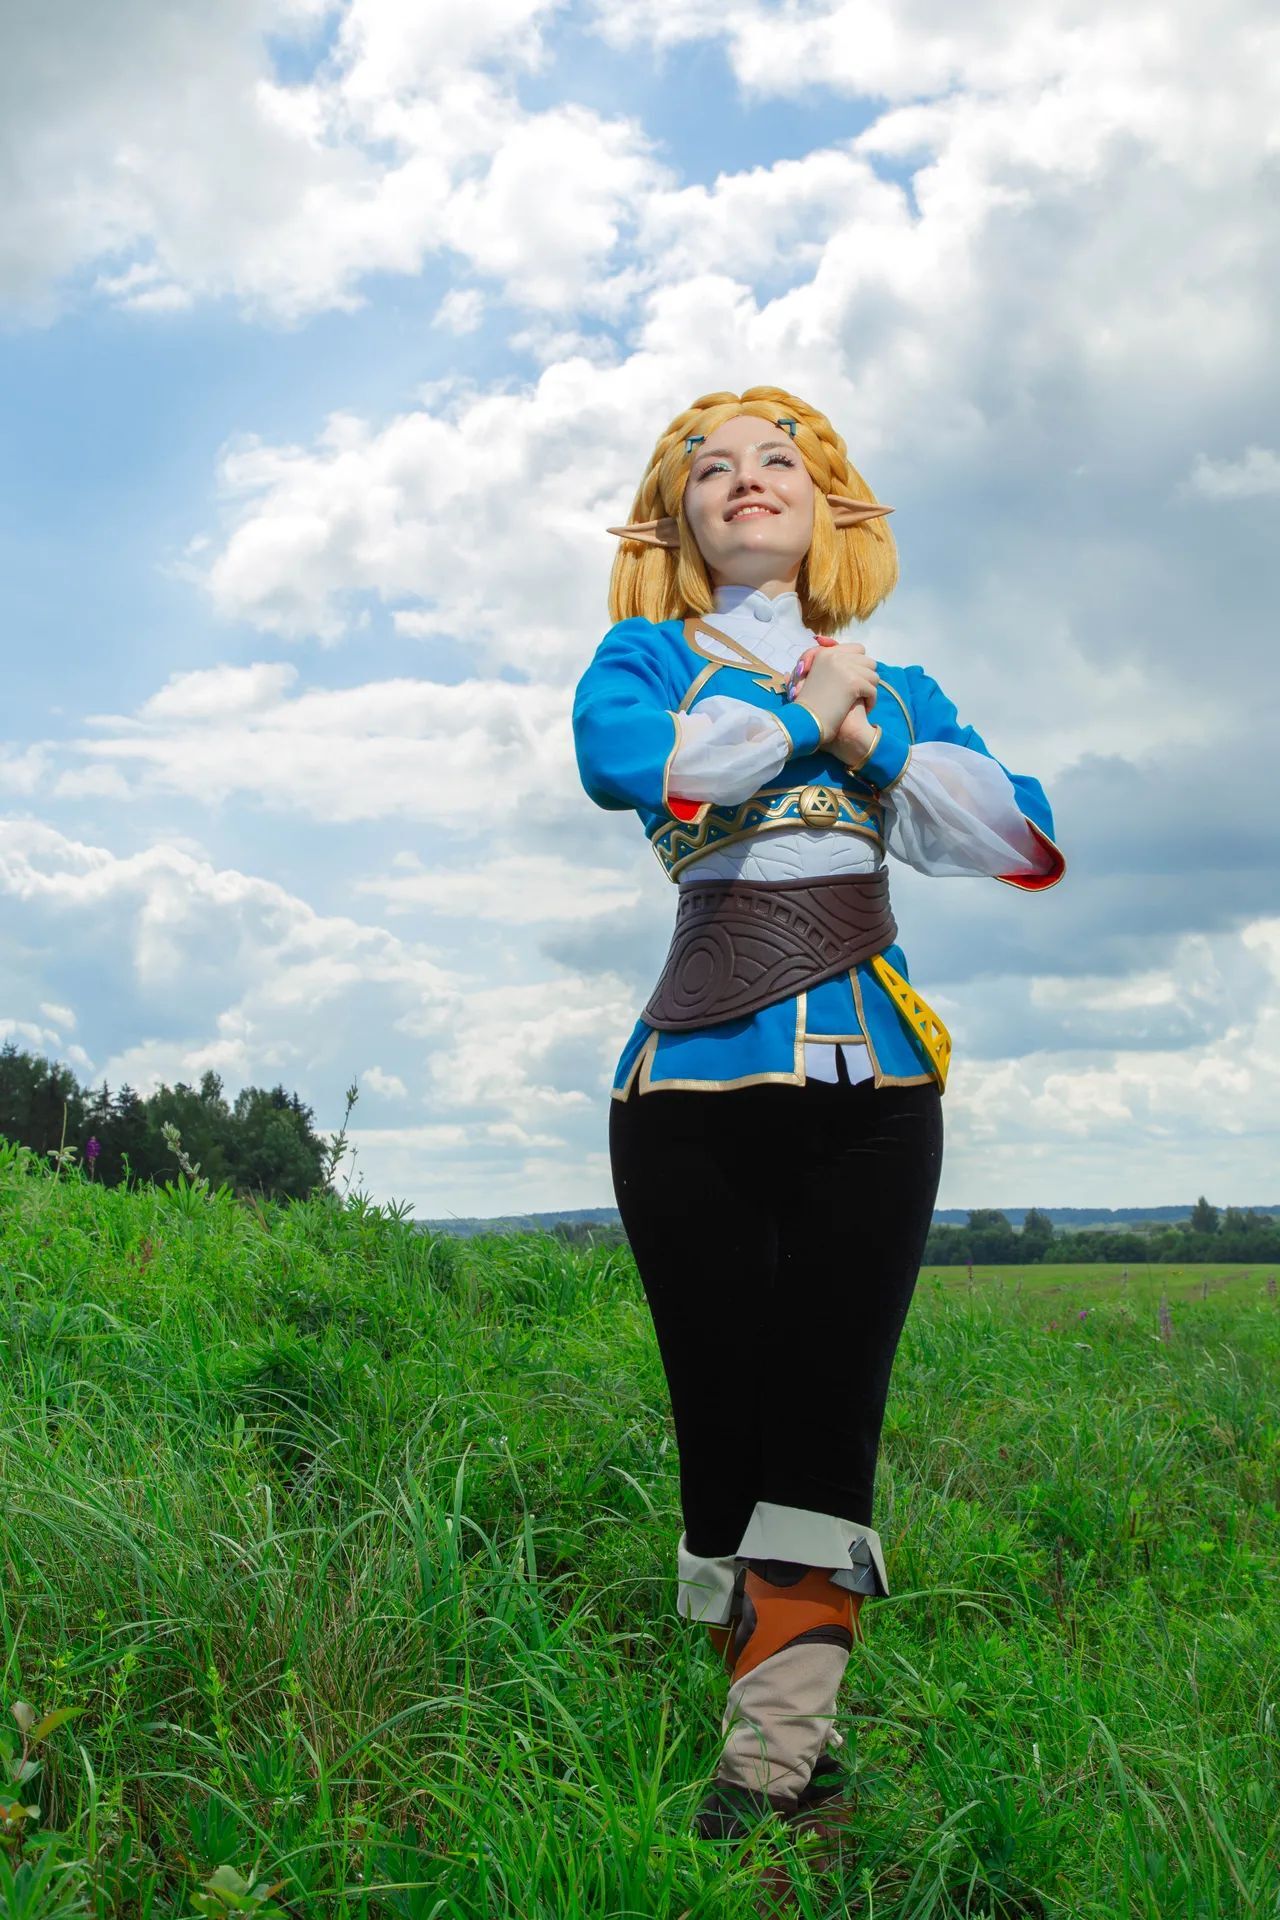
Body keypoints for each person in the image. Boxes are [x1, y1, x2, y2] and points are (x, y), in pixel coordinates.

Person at [571, 385, 1063, 1841]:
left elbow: (1018, 832)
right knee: (720, 1419)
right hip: (687, 1089)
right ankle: (786, 1721)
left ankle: (767, 1769)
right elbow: (630, 766)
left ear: (830, 504)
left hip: (875, 1093)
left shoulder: (896, 686)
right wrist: (803, 712)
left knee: (829, 1406)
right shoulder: (644, 660)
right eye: (710, 469)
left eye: (779, 460)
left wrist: (871, 738)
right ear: (672, 521)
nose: (747, 480)